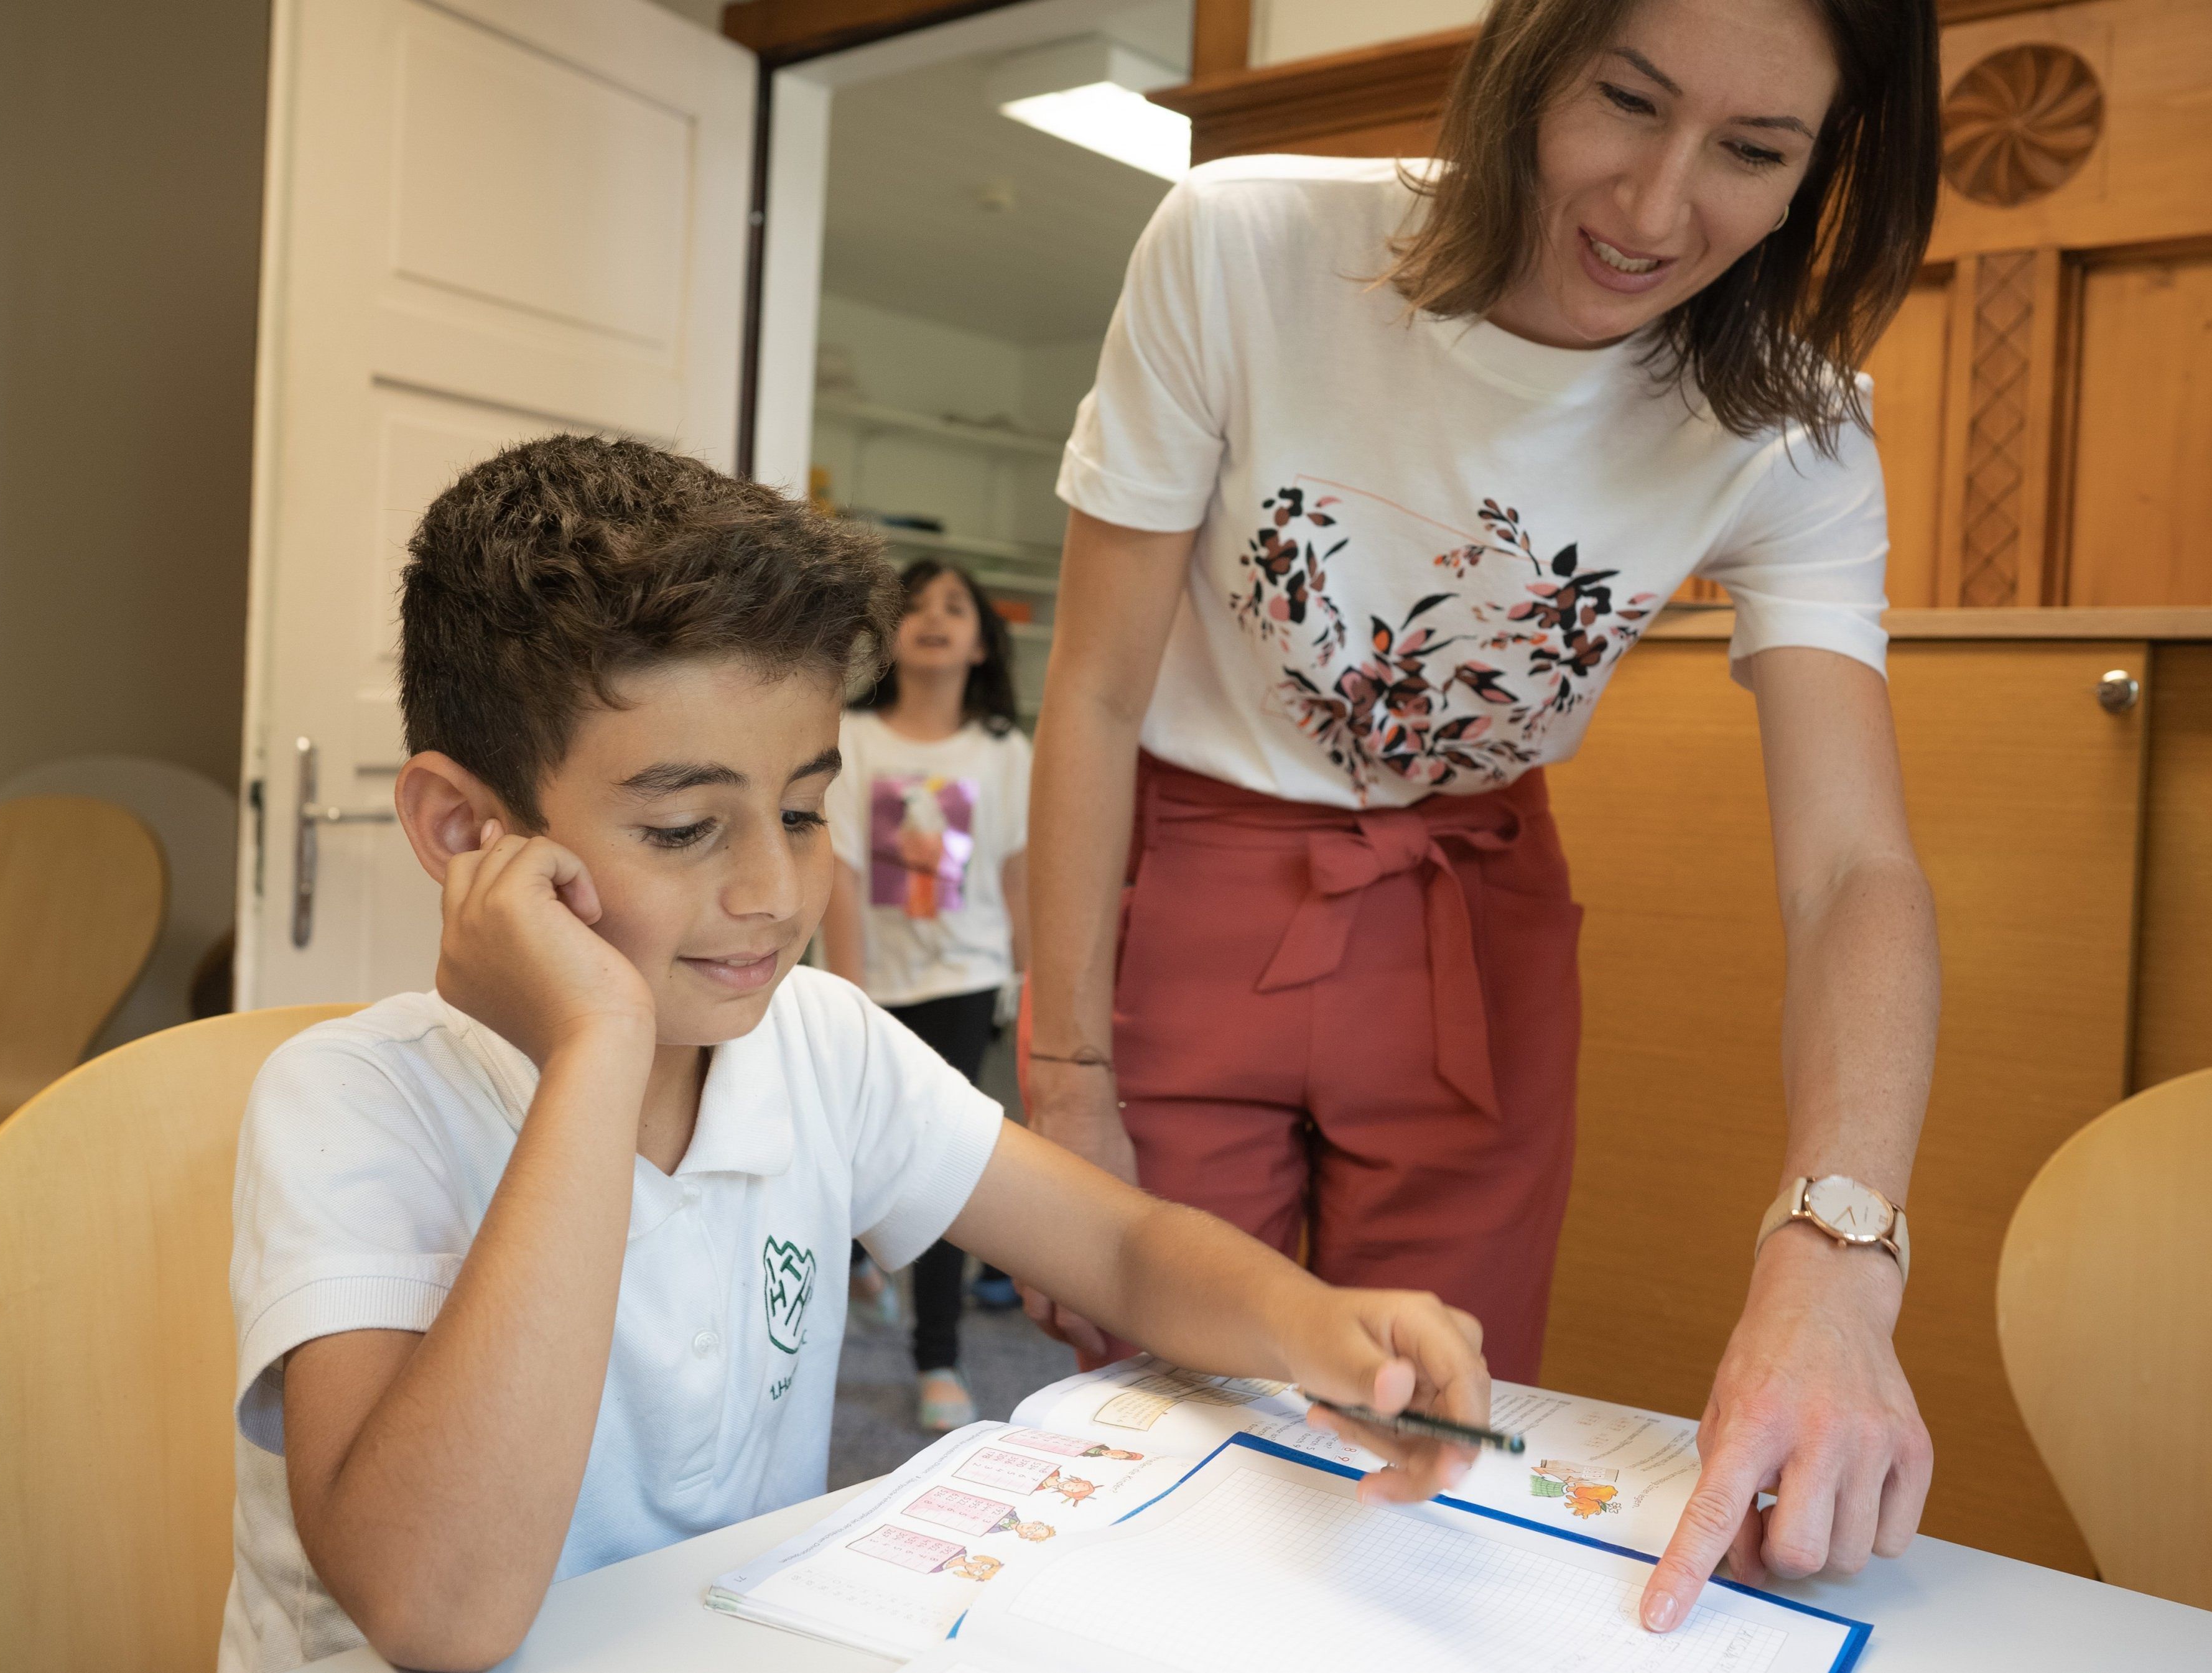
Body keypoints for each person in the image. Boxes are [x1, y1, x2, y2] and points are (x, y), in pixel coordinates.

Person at [217, 436, 1490, 1673]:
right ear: (464, 828)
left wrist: (1312, 1320)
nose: (775, 890)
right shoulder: (356, 1102)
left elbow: (1118, 1247)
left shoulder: (817, 1049)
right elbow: (440, 1616)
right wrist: (596, 1048)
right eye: (680, 828)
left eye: (801, 811)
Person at [1023, 0, 1941, 1636]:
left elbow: (1854, 864)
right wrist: (1062, 1077)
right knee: (1175, 1405)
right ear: (1534, 54)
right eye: (1627, 103)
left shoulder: (1793, 426)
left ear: (1826, 172)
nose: (1655, 210)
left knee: (1433, 1418)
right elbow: (1091, 691)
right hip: (1189, 877)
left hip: (1474, 911)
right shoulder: (1245, 247)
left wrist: (1840, 1246)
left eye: (1751, 152)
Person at [820, 559, 1031, 1431]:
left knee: (942, 1166)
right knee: (844, 1151)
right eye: (916, 606)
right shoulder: (854, 737)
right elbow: (835, 866)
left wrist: (1027, 980)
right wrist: (847, 984)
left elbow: (1020, 871)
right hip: (869, 980)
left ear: (981, 640)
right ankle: (857, 1265)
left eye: (956, 607)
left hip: (965, 976)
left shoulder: (1001, 750)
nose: (934, 618)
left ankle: (937, 1355)